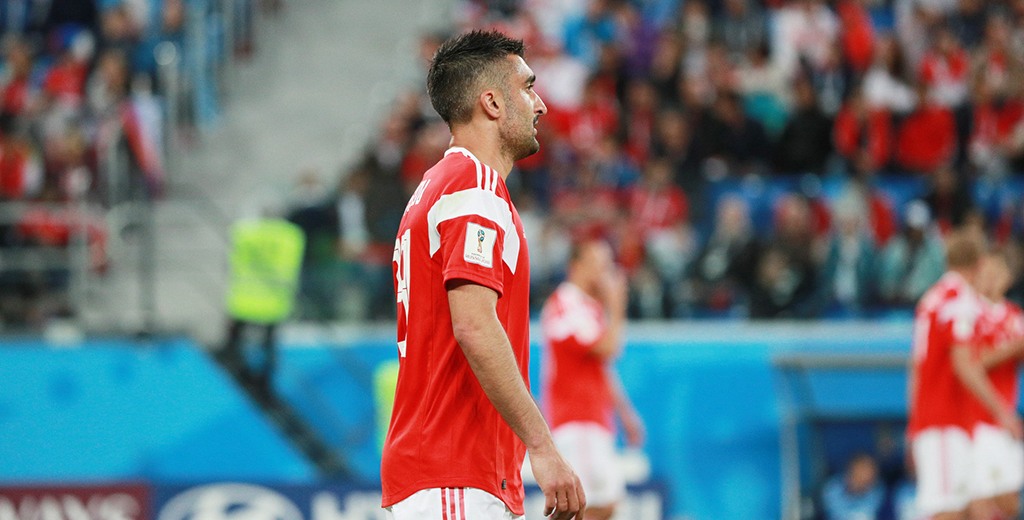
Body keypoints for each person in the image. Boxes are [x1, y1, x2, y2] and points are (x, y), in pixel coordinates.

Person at [380, 30, 585, 520]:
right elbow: (473, 325)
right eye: (528, 87)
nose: (541, 105)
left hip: (450, 472)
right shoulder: (474, 187)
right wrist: (543, 446)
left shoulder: (440, 185)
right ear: (491, 102)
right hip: (454, 470)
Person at [907, 232, 1023, 520]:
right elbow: (965, 364)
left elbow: (916, 367)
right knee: (947, 510)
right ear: (979, 263)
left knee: (962, 505)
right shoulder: (958, 300)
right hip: (944, 419)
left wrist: (914, 422)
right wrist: (1002, 411)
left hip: (942, 421)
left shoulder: (932, 297)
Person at [540, 238, 645, 520]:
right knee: (588, 507)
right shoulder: (566, 304)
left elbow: (601, 367)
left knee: (603, 506)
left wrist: (625, 413)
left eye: (608, 265)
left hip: (594, 418)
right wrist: (617, 305)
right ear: (575, 267)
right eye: (598, 265)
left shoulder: (588, 307)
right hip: (576, 419)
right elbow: (609, 348)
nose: (605, 274)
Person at [965, 254, 1024, 520]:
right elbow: (970, 363)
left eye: (996, 274)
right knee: (980, 497)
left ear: (1007, 279)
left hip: (1005, 417)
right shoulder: (970, 314)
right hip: (975, 419)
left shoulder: (1014, 315)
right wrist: (1011, 347)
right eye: (985, 273)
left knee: (1010, 503)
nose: (990, 280)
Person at [821, 453, 885, 520]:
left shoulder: (878, 491)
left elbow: (867, 512)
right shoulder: (832, 488)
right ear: (851, 469)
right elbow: (838, 514)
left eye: (870, 471)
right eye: (862, 469)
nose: (865, 475)